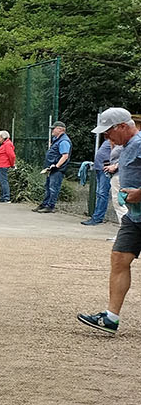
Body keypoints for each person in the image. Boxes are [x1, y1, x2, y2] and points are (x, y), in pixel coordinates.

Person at [78, 108, 141, 335]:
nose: (107, 138)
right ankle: (111, 318)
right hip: (134, 217)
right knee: (119, 258)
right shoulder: (125, 146)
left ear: (122, 126)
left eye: (108, 133)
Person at [35, 121, 70, 213]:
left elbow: (65, 156)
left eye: (53, 129)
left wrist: (57, 166)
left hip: (57, 169)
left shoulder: (64, 141)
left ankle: (50, 206)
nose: (52, 130)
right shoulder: (57, 139)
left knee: (53, 188)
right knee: (48, 187)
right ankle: (45, 203)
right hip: (51, 169)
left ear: (60, 129)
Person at [84, 134, 118, 226]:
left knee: (102, 193)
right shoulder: (108, 140)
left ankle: (98, 217)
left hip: (105, 170)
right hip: (99, 169)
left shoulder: (115, 140)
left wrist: (112, 165)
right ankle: (96, 216)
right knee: (99, 193)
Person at [0, 130, 16, 203]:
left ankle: (6, 197)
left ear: (3, 137)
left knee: (4, 181)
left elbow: (12, 155)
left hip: (3, 165)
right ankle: (4, 196)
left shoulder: (7, 144)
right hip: (1, 164)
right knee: (3, 181)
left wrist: (12, 164)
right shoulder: (5, 144)